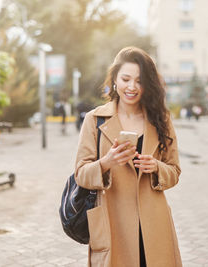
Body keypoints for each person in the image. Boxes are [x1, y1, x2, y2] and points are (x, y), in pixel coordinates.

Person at [74, 47, 182, 267]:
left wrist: (157, 167)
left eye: (139, 81)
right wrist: (107, 162)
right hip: (113, 224)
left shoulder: (161, 120)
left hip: (154, 226)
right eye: (125, 79)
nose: (131, 87)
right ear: (115, 79)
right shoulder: (95, 120)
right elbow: (81, 174)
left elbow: (174, 171)